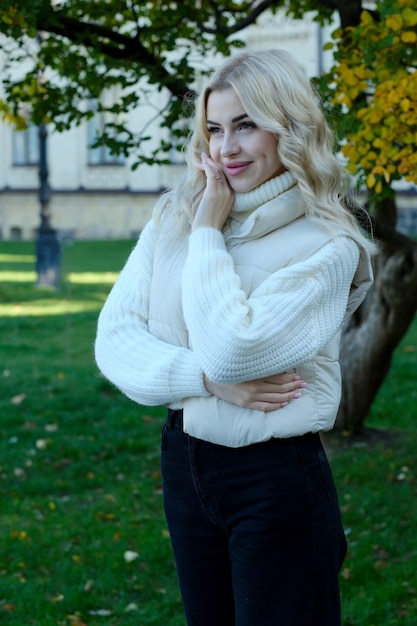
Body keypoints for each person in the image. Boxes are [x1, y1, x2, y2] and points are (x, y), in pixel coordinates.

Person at [95, 48, 376, 626]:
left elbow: (233, 349)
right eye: (215, 129)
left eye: (246, 125)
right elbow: (115, 341)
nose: (226, 148)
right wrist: (205, 382)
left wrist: (207, 235)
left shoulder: (328, 245)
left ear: (287, 128)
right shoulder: (173, 216)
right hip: (185, 462)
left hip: (275, 477)